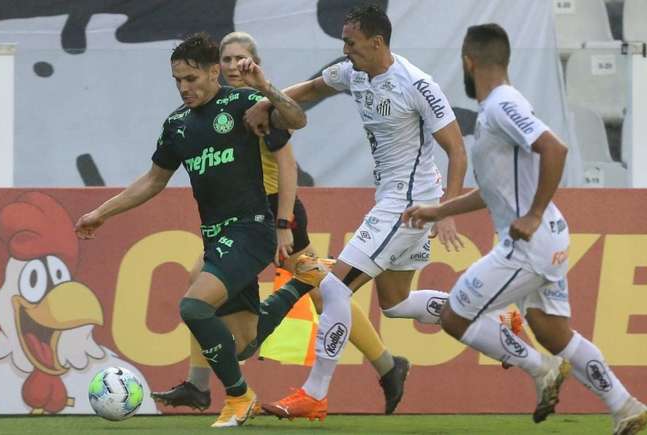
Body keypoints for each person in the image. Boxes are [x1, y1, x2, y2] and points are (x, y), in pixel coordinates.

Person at [404, 24, 647, 435]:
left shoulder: (501, 105)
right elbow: (492, 192)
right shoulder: (498, 110)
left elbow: (555, 148)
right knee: (553, 331)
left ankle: (541, 370)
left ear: (469, 62)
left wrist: (533, 213)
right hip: (546, 237)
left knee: (454, 316)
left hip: (529, 243)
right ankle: (624, 405)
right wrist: (436, 211)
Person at [150, 31, 411, 416]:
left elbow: (287, 162)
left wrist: (283, 222)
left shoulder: (259, 105)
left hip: (274, 212)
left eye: (240, 59)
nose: (232, 66)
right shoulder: (217, 110)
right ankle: (199, 383)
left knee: (327, 292)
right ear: (215, 68)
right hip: (246, 215)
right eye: (225, 59)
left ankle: (388, 364)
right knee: (202, 278)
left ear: (253, 63)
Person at [74, 32, 311, 428]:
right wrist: (102, 212)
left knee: (193, 305)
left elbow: (298, 119)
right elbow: (153, 180)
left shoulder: (245, 103)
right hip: (216, 237)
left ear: (214, 72)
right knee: (243, 343)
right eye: (178, 81)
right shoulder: (177, 125)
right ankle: (299, 285)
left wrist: (265, 88)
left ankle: (240, 397)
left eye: (191, 79)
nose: (184, 88)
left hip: (252, 230)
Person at [246, 5, 468, 420]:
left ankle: (314, 393)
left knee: (333, 288)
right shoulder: (354, 73)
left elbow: (457, 149)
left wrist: (446, 210)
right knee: (397, 303)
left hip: (406, 203)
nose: (345, 49)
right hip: (392, 200)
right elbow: (311, 89)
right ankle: (484, 307)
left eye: (350, 42)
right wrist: (265, 101)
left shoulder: (417, 83)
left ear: (376, 41)